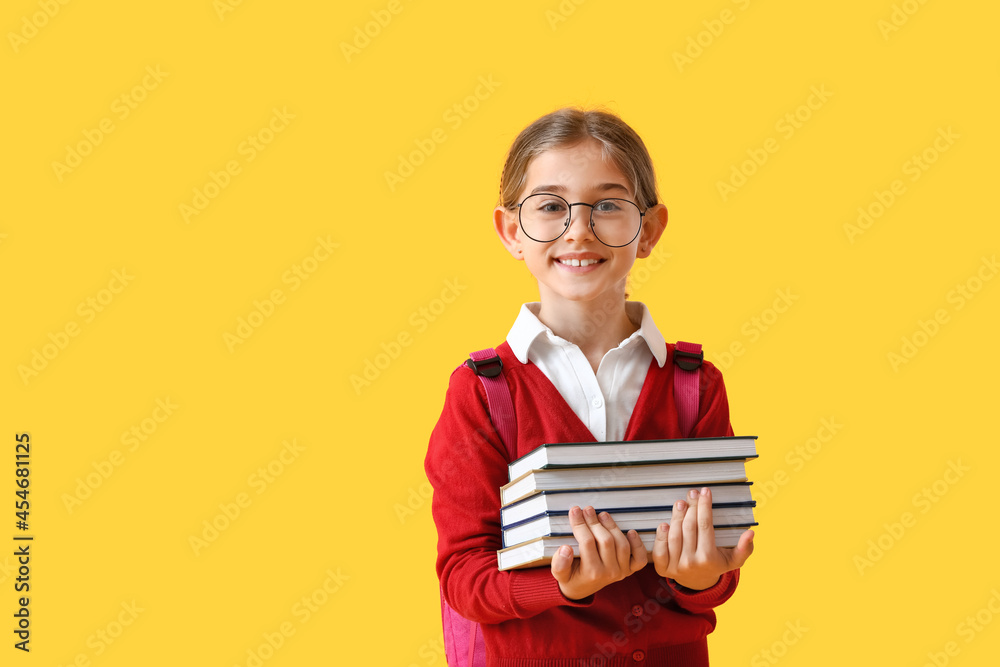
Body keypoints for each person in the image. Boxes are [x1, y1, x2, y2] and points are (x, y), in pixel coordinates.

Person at [424, 107, 754, 666]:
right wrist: (563, 586)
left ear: (647, 231)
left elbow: (715, 568)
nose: (579, 229)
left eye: (608, 205)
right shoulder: (481, 393)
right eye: (551, 206)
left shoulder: (695, 385)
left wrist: (701, 578)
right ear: (512, 232)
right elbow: (464, 578)